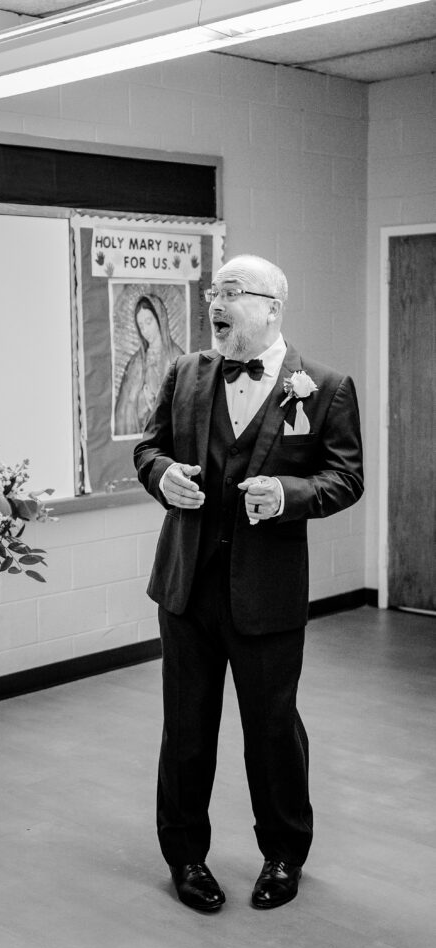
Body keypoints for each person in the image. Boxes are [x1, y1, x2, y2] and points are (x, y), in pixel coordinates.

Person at [134, 254, 363, 912]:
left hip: (266, 594)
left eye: (233, 292)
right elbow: (148, 447)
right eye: (214, 290)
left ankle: (283, 854)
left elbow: (345, 477)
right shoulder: (184, 373)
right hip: (184, 586)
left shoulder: (324, 386)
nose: (218, 300)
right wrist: (161, 477)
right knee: (185, 730)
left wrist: (288, 494)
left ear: (272, 307)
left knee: (271, 729)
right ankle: (184, 856)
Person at [114, 293, 184, 436]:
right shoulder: (136, 362)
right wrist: (143, 399)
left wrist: (157, 402)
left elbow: (186, 403)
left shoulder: (178, 357)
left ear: (160, 319)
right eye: (141, 325)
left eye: (148, 322)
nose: (145, 330)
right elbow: (124, 411)